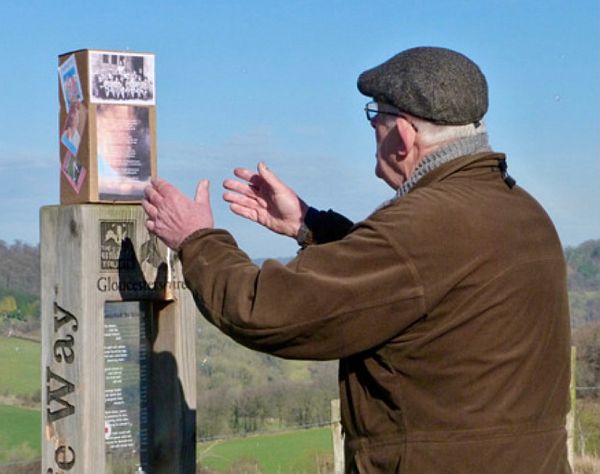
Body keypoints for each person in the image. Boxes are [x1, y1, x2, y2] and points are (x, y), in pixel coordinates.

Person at [143, 47, 571, 473]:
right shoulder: (522, 211)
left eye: (375, 116)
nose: (372, 129)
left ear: (402, 136)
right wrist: (310, 225)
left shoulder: (424, 224)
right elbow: (417, 284)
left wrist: (197, 239)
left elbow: (267, 311)